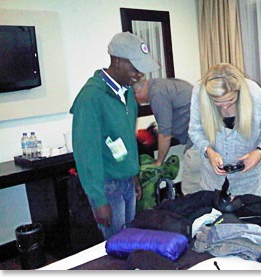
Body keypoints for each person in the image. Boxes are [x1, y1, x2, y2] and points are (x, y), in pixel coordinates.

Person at [70, 32, 159, 239]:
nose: (139, 75)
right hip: (107, 184)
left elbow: (127, 139)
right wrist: (98, 199)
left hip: (127, 180)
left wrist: (134, 173)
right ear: (117, 61)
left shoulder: (127, 94)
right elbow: (86, 154)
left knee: (130, 237)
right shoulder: (91, 97)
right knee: (115, 244)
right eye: (135, 68)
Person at [188, 63, 261, 196]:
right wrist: (208, 151)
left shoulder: (254, 94)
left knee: (245, 214)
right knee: (214, 214)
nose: (224, 107)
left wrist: (259, 153)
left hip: (248, 177)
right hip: (212, 177)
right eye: (217, 102)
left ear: (239, 91)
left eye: (230, 100)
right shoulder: (200, 92)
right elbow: (195, 131)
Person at [133, 78, 202, 195]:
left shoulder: (157, 93)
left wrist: (159, 161)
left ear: (137, 92)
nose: (138, 103)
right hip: (205, 135)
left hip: (199, 140)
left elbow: (165, 135)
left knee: (190, 189)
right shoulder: (164, 84)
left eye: (135, 99)